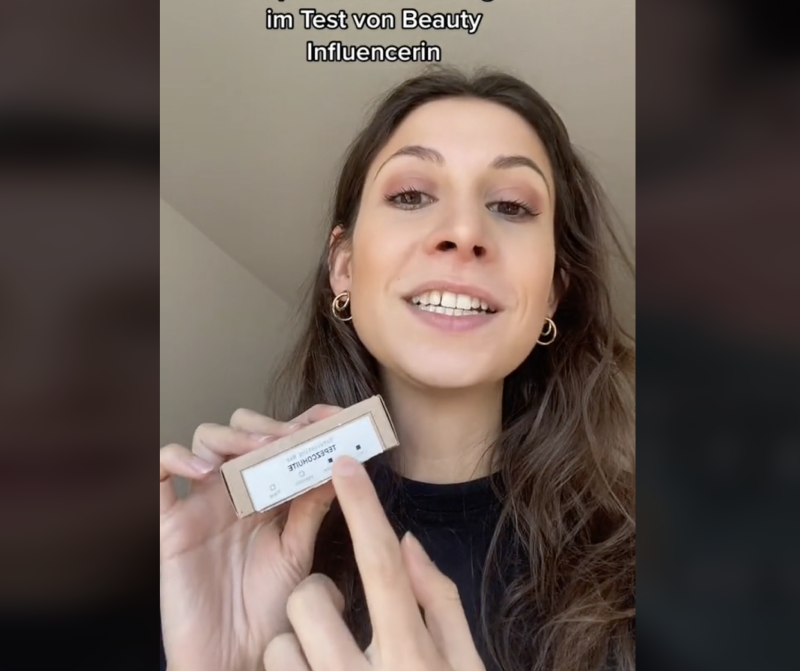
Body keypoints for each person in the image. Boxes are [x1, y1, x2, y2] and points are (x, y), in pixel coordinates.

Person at [159, 68, 636, 671]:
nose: (463, 233)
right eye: (410, 196)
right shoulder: (216, 567)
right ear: (344, 268)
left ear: (552, 295)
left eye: (512, 206)